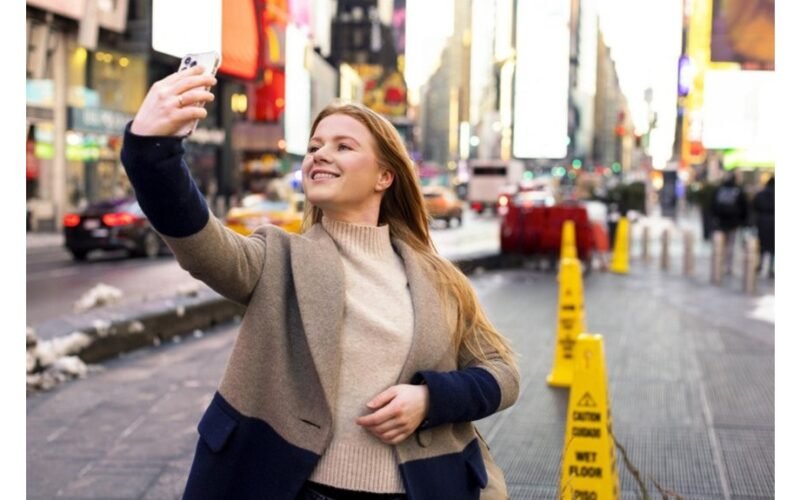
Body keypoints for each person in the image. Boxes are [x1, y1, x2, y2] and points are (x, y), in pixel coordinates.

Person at [120, 64, 519, 500]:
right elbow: (199, 241)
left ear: (385, 176)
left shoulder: (439, 279)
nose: (320, 155)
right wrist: (152, 151)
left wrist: (430, 400)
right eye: (314, 147)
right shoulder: (277, 257)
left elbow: (503, 374)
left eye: (343, 146)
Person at [710, 171, 749, 275]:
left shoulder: (719, 189)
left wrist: (714, 217)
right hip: (733, 222)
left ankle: (719, 264)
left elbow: (713, 205)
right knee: (730, 245)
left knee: (720, 244)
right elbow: (744, 207)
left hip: (721, 221)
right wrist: (743, 221)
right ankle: (728, 266)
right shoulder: (738, 190)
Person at [752, 176, 775, 277]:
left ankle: (760, 264)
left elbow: (754, 205)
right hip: (774, 221)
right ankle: (771, 268)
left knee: (762, 244)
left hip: (762, 221)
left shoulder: (761, 193)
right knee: (773, 246)